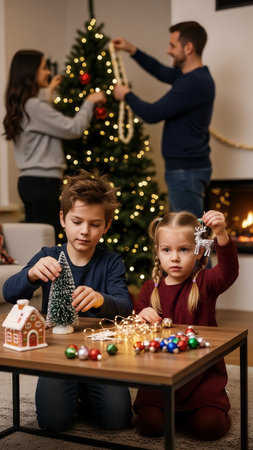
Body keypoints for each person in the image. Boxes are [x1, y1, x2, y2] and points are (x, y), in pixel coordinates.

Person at [3, 169, 133, 432]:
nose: (85, 231)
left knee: (118, 420)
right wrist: (30, 274)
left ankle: (83, 391)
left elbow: (125, 306)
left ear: (106, 226)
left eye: (95, 224)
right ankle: (72, 391)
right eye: (77, 221)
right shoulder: (48, 256)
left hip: (101, 356)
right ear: (63, 219)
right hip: (57, 354)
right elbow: (8, 292)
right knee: (53, 423)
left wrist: (99, 299)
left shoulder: (111, 262)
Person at [132, 210, 238, 440]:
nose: (175, 258)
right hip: (159, 379)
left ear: (199, 251)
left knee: (209, 428)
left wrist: (221, 233)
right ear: (158, 252)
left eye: (184, 249)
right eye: (166, 250)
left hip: (201, 380)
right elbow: (134, 328)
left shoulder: (205, 282)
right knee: (148, 425)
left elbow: (228, 272)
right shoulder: (150, 289)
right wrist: (141, 315)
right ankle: (172, 412)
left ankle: (206, 407)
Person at [112, 21, 215, 218]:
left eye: (172, 45)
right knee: (189, 234)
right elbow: (160, 71)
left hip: (185, 172)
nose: (168, 51)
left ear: (189, 48)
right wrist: (131, 50)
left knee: (190, 236)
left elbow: (152, 113)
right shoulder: (190, 77)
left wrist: (127, 95)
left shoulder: (193, 83)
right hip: (186, 170)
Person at [3, 50, 106, 240]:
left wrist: (48, 94)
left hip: (28, 182)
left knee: (36, 239)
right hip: (44, 184)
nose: (48, 72)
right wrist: (89, 102)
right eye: (43, 68)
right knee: (46, 241)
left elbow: (41, 124)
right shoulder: (34, 106)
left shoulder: (21, 105)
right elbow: (73, 128)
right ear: (30, 72)